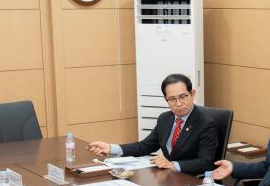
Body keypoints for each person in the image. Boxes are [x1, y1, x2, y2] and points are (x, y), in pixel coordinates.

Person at [88, 73, 219, 176]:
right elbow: (145, 146)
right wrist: (111, 148)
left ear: (193, 94)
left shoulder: (206, 123)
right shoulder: (165, 119)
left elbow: (205, 162)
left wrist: (173, 165)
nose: (178, 103)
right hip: (167, 177)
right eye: (172, 99)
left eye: (183, 96)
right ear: (165, 99)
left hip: (191, 180)